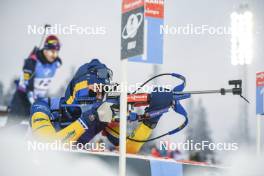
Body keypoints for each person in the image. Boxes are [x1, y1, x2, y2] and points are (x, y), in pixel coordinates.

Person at [30, 59, 164, 154]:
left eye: (102, 92)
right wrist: (90, 118)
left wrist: (150, 120)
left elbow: (127, 150)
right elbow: (49, 145)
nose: (98, 97)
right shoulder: (43, 106)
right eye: (93, 91)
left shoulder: (102, 113)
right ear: (77, 88)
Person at [6, 35, 62, 127]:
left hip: (38, 99)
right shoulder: (32, 62)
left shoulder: (56, 63)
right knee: (13, 126)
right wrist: (33, 101)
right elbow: (27, 85)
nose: (54, 55)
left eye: (56, 52)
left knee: (34, 128)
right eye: (52, 51)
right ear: (45, 49)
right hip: (22, 98)